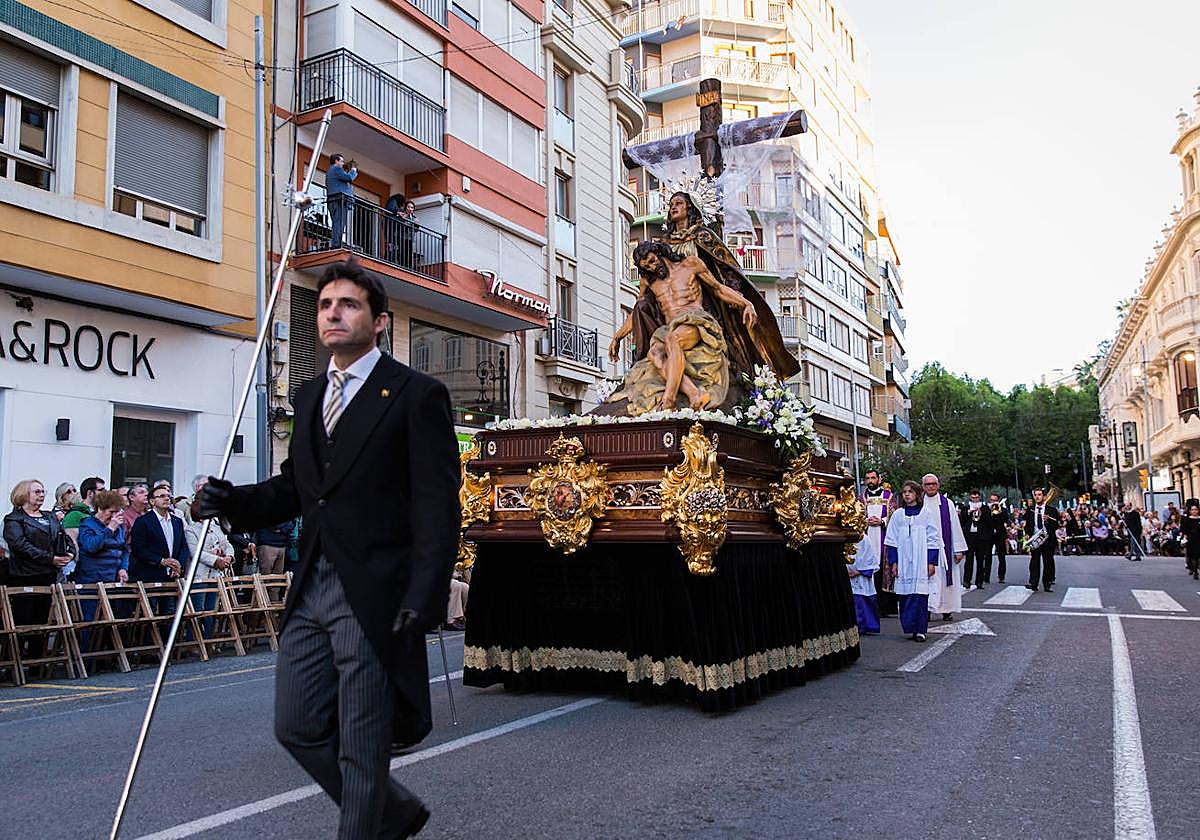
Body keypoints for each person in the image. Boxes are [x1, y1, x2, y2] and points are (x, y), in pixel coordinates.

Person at [198, 259, 460, 839]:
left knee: (362, 748)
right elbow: (298, 487)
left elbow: (437, 508)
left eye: (349, 304)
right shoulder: (313, 393)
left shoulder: (416, 395)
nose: (333, 313)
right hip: (310, 586)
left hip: (374, 593)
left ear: (380, 321)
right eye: (324, 305)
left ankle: (369, 822)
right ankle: (392, 813)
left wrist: (427, 592)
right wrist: (232, 500)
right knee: (295, 725)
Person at [3, 480, 75, 652]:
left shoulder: (49, 516)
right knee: (23, 618)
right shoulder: (14, 519)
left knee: (42, 618)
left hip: (47, 574)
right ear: (23, 494)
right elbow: (20, 545)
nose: (41, 495)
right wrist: (50, 558)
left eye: (43, 491)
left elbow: (64, 537)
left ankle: (37, 661)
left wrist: (70, 553)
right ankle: (16, 659)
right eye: (37, 492)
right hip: (25, 575)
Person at [884, 480, 942, 642]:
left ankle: (921, 629)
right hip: (904, 561)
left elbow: (933, 538)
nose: (907, 494)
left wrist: (931, 562)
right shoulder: (898, 515)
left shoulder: (926, 513)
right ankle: (909, 626)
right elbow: (891, 540)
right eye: (904, 492)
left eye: (910, 492)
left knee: (920, 595)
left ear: (917, 494)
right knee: (905, 595)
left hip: (921, 560)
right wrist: (894, 562)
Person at [180, 478, 232, 636]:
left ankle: (208, 640)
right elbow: (195, 553)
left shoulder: (216, 526)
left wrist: (228, 557)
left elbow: (227, 543)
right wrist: (216, 560)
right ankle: (192, 641)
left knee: (212, 609)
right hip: (199, 575)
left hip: (216, 574)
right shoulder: (192, 529)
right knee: (198, 608)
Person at [129, 484, 191, 614]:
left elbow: (183, 546)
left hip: (171, 575)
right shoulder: (143, 521)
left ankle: (167, 635)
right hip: (150, 574)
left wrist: (178, 564)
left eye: (168, 496)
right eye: (162, 496)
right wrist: (161, 561)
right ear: (152, 501)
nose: (167, 498)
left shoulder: (177, 521)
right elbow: (138, 549)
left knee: (169, 612)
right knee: (149, 613)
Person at [74, 490, 129, 622]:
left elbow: (124, 549)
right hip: (91, 581)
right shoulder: (87, 524)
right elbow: (91, 547)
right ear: (100, 509)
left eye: (117, 512)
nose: (114, 516)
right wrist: (109, 529)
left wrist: (123, 568)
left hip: (112, 580)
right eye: (111, 512)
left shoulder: (119, 528)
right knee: (92, 620)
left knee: (114, 620)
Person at [921, 474, 966, 621]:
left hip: (944, 549)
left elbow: (955, 526)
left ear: (938, 485)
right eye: (928, 484)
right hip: (925, 549)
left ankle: (946, 609)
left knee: (946, 581)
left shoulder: (948, 504)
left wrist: (958, 549)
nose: (931, 486)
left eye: (933, 484)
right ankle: (926, 610)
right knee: (927, 580)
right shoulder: (919, 503)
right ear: (923, 487)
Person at [859, 469, 897, 616]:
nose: (870, 481)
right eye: (868, 478)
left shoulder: (889, 497)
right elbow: (855, 516)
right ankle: (870, 606)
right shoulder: (860, 498)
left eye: (873, 478)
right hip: (868, 537)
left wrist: (881, 521)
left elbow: (895, 516)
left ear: (879, 479)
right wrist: (865, 521)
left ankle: (885, 607)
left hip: (884, 538)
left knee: (884, 571)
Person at [1023, 487, 1059, 593]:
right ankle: (1033, 583)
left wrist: (1048, 521)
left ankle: (1047, 584)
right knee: (1034, 561)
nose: (1037, 497)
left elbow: (1056, 525)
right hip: (1035, 538)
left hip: (1047, 539)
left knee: (1047, 562)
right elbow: (1028, 524)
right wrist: (1027, 534)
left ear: (1043, 496)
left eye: (1039, 495)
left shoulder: (1051, 510)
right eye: (1035, 495)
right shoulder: (1030, 509)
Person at [959, 490, 994, 591]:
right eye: (973, 498)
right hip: (969, 536)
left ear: (979, 498)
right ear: (970, 497)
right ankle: (966, 581)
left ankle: (979, 581)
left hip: (981, 537)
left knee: (980, 560)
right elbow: (962, 520)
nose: (975, 500)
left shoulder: (985, 508)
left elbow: (989, 522)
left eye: (977, 498)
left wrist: (981, 512)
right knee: (968, 560)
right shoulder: (965, 507)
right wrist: (969, 512)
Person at [326, 153, 358, 249]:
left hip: (333, 199)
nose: (343, 163)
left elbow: (342, 179)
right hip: (339, 199)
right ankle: (337, 244)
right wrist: (353, 170)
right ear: (336, 161)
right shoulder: (336, 168)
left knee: (337, 222)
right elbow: (349, 178)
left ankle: (337, 242)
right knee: (339, 223)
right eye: (342, 161)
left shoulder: (331, 171)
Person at [986, 493, 1010, 583]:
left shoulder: (1003, 510)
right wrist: (991, 512)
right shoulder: (987, 510)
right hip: (989, 534)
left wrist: (998, 512)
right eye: (992, 500)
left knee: (1002, 556)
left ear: (998, 501)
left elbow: (1005, 519)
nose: (993, 502)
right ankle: (986, 577)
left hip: (1000, 534)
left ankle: (1001, 576)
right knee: (987, 556)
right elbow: (985, 521)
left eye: (995, 500)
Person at [122, 484, 149, 548]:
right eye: (141, 492)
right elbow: (122, 540)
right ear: (131, 497)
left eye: (147, 492)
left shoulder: (151, 515)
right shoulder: (124, 516)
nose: (146, 495)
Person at [1181, 501, 1200, 580]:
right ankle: (1195, 571)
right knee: (1193, 556)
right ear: (1190, 511)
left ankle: (1196, 568)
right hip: (1191, 539)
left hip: (1199, 539)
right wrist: (1185, 538)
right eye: (1192, 510)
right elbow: (1185, 530)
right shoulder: (1187, 519)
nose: (1194, 511)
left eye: (1195, 509)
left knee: (1199, 556)